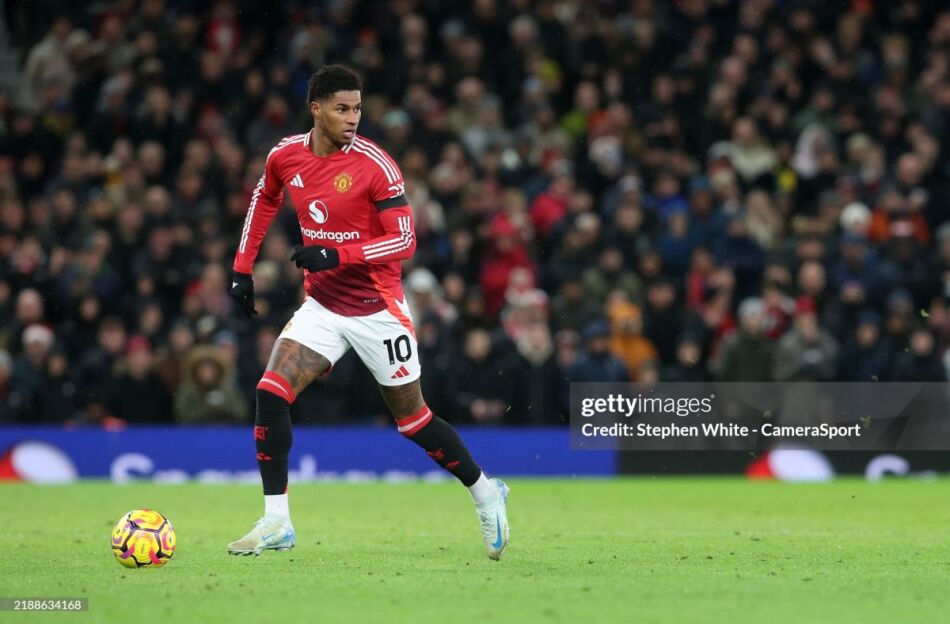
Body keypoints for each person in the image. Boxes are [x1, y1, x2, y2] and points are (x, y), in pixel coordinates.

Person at [226, 66, 509, 559]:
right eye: (342, 108)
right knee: (270, 392)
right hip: (323, 305)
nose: (353, 117)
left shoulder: (376, 165)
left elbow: (405, 240)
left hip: (378, 309)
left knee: (413, 421)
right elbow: (264, 198)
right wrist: (242, 268)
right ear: (316, 109)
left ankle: (486, 493)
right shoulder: (285, 156)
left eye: (357, 108)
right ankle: (276, 521)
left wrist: (337, 254)